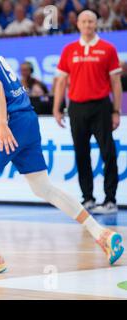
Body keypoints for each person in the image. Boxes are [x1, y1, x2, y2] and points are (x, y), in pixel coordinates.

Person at [0, 8, 124, 269]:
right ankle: (102, 233)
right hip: (27, 119)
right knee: (43, 188)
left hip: (9, 121)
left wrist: (2, 123)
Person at [54, 10, 123, 215]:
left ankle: (110, 200)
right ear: (78, 25)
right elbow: (61, 83)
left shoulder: (108, 49)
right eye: (84, 21)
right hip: (76, 107)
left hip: (101, 106)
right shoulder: (69, 49)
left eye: (91, 21)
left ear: (96, 24)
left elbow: (116, 83)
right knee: (81, 154)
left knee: (108, 153)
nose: (87, 25)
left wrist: (116, 110)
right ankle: (88, 199)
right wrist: (57, 107)